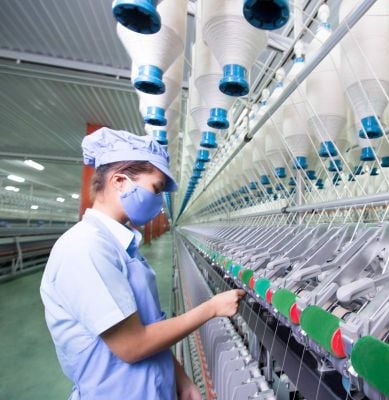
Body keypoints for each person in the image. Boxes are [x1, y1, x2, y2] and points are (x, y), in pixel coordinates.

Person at [40, 128, 244, 399]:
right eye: (155, 189)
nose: (158, 202)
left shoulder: (122, 245)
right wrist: (212, 308)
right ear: (119, 181)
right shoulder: (85, 247)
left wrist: (180, 378)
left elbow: (149, 325)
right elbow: (132, 344)